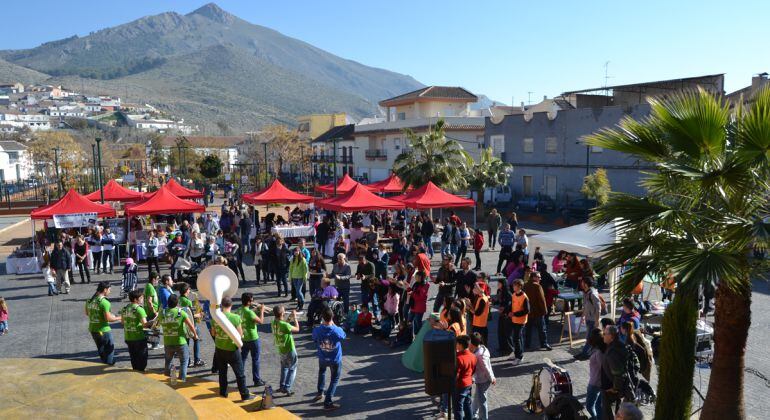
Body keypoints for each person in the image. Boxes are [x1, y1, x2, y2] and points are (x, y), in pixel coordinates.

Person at [212, 296, 254, 401]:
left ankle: (223, 393)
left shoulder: (215, 317)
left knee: (222, 373)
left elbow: (213, 333)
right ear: (231, 305)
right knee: (240, 374)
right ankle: (245, 395)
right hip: (232, 349)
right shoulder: (235, 318)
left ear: (221, 305)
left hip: (219, 348)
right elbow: (240, 334)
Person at [312, 306, 346, 410]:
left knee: (322, 371)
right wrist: (334, 324)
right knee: (334, 379)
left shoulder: (317, 330)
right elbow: (343, 336)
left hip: (322, 357)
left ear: (322, 317)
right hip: (334, 359)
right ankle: (328, 401)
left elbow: (314, 339)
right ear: (332, 317)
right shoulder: (336, 330)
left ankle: (320, 391)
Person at [160, 294, 197, 381]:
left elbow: (157, 323)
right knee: (184, 361)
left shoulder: (163, 313)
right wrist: (195, 335)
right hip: (180, 342)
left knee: (168, 361)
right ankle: (181, 380)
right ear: (177, 303)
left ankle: (167, 378)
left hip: (168, 342)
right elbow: (191, 326)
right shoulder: (181, 313)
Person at [85, 281, 121, 365]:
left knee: (101, 348)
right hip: (103, 330)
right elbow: (108, 319)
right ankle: (108, 364)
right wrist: (119, 317)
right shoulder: (105, 302)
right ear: (105, 289)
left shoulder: (89, 300)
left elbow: (87, 313)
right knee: (109, 348)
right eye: (109, 289)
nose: (110, 291)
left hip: (93, 329)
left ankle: (105, 362)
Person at [601, 325, 631, 420]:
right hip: (616, 388)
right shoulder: (617, 345)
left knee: (609, 414)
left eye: (604, 334)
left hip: (611, 389)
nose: (603, 336)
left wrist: (615, 388)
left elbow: (618, 373)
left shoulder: (612, 352)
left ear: (611, 336)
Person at [238, 292, 266, 387]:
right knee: (255, 359)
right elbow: (261, 321)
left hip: (244, 338)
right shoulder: (249, 312)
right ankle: (256, 380)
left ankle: (239, 375)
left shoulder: (239, 310)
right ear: (249, 302)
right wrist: (262, 310)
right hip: (253, 338)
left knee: (243, 358)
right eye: (252, 300)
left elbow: (248, 313)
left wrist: (255, 309)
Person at [120, 290, 152, 371]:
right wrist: (153, 322)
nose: (142, 299)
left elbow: (122, 322)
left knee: (133, 357)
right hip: (139, 337)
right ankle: (141, 372)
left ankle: (135, 371)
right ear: (135, 299)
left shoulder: (124, 308)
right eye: (141, 298)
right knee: (142, 358)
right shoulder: (139, 309)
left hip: (128, 337)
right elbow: (145, 324)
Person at [272, 305, 300, 395]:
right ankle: (287, 388)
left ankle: (282, 386)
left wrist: (289, 318)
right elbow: (297, 329)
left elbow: (285, 325)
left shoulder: (274, 322)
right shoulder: (284, 325)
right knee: (292, 368)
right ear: (283, 313)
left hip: (281, 348)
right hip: (289, 349)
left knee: (284, 367)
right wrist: (295, 317)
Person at [470, 332, 495, 420]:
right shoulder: (484, 349)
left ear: (472, 345)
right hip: (482, 379)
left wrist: (491, 378)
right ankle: (473, 413)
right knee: (477, 397)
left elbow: (486, 368)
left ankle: (483, 418)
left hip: (482, 380)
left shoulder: (479, 355)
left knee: (482, 401)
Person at [523, 271, 551, 351]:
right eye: (538, 277)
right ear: (534, 277)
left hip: (529, 311)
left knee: (528, 329)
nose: (540, 278)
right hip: (538, 311)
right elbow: (542, 300)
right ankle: (544, 343)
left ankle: (527, 344)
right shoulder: (537, 286)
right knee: (542, 329)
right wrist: (545, 311)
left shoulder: (526, 285)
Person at [179, 283, 205, 367]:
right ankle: (197, 359)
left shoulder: (179, 299)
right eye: (189, 289)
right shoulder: (187, 301)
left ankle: (188, 360)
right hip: (190, 323)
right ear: (186, 291)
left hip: (183, 325)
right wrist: (197, 315)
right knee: (196, 340)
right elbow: (188, 314)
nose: (190, 291)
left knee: (186, 343)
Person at [577, 278, 602, 360]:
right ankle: (587, 353)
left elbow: (598, 308)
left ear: (586, 284)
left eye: (582, 282)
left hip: (593, 319)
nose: (581, 284)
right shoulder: (586, 293)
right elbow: (585, 306)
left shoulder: (593, 294)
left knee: (589, 338)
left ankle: (585, 354)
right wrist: (583, 316)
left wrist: (597, 320)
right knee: (589, 337)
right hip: (588, 318)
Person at [454, 335, 477, 420]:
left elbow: (456, 375)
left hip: (460, 385)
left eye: (456, 344)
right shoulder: (473, 356)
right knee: (467, 404)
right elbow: (473, 370)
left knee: (458, 408)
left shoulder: (458, 358)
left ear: (460, 345)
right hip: (469, 383)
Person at [584, 328, 605, 419]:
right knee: (598, 405)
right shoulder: (598, 349)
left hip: (595, 383)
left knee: (589, 406)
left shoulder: (598, 353)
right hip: (598, 383)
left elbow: (603, 368)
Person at [510, 279, 529, 365]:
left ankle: (519, 357)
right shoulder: (514, 295)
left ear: (520, 287)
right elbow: (512, 306)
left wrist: (515, 314)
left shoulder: (524, 297)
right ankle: (518, 353)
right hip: (514, 320)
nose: (513, 287)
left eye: (515, 285)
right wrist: (507, 311)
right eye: (513, 285)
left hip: (521, 321)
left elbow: (527, 310)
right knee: (518, 338)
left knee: (516, 338)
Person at [407, 271, 429, 339]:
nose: (415, 278)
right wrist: (407, 287)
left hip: (419, 306)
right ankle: (410, 334)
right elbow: (412, 290)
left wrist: (412, 293)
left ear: (421, 277)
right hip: (414, 305)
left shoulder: (425, 285)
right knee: (410, 320)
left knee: (417, 322)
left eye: (417, 277)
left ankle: (419, 335)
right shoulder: (416, 283)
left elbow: (421, 297)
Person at [495, 276, 513, 356]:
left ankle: (510, 348)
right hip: (501, 314)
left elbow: (510, 304)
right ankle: (502, 347)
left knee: (507, 332)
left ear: (503, 284)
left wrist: (503, 309)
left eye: (499, 283)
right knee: (500, 331)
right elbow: (498, 301)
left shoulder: (508, 293)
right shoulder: (500, 291)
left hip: (506, 315)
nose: (497, 284)